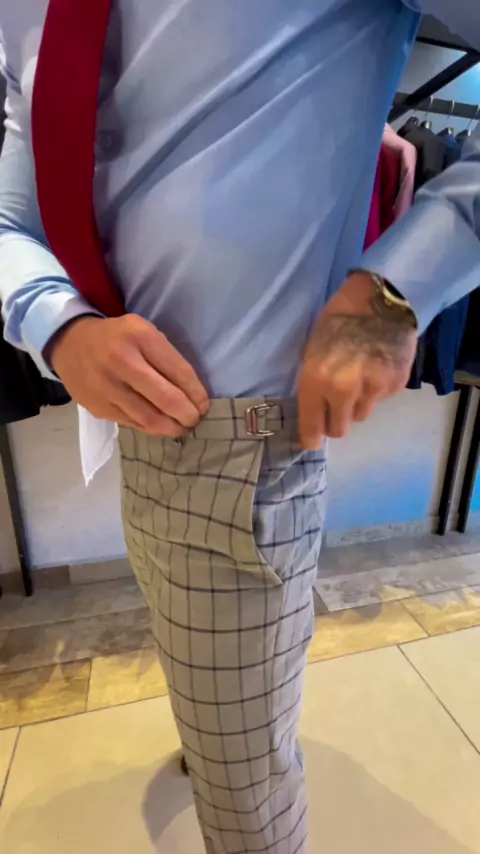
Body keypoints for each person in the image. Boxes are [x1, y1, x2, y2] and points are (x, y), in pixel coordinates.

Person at [1, 2, 480, 852]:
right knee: (220, 722)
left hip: (246, 452)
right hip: (141, 435)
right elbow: (11, 217)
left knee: (247, 802)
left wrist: (402, 282)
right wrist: (56, 323)